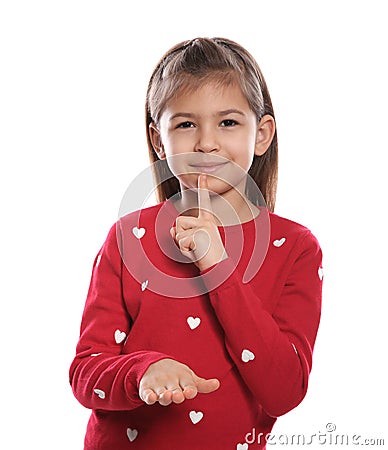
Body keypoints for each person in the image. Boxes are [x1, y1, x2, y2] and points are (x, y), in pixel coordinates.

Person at [69, 37, 323, 450]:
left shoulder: (295, 247)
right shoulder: (126, 239)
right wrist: (143, 371)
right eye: (186, 124)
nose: (206, 142)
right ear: (158, 140)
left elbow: (285, 391)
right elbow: (86, 375)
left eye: (228, 122)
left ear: (262, 135)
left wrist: (218, 265)